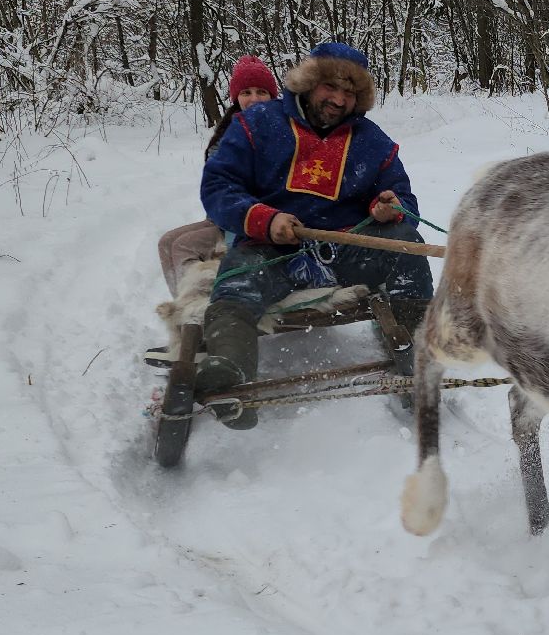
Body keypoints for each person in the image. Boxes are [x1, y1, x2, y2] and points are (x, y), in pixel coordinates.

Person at [195, 40, 434, 427]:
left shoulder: (373, 142)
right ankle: (230, 374)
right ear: (308, 83)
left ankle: (419, 355)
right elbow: (218, 187)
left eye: (350, 93)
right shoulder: (257, 125)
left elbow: (404, 199)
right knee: (237, 279)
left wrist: (390, 207)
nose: (339, 100)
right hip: (271, 250)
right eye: (331, 87)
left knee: (407, 246)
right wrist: (264, 219)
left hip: (346, 250)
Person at [156, 55, 280, 295]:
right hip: (225, 216)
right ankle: (184, 304)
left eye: (261, 92)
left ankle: (202, 304)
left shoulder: (279, 130)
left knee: (183, 247)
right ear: (236, 97)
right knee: (166, 242)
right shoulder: (230, 130)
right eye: (246, 92)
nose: (254, 99)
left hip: (251, 220)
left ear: (272, 96)